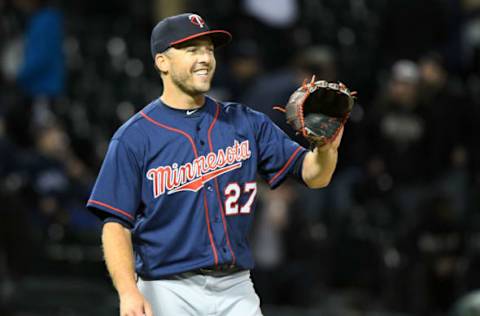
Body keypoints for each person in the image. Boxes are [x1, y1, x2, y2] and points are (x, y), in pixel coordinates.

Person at [86, 13, 343, 316]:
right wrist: (128, 291)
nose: (205, 58)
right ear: (162, 62)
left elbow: (315, 176)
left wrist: (326, 147)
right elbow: (115, 224)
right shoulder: (134, 137)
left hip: (235, 287)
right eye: (191, 50)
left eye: (208, 49)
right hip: (167, 287)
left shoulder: (246, 122)